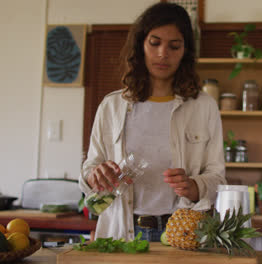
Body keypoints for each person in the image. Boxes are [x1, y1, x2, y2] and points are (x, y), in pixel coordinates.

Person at [78, 2, 226, 242]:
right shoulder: (112, 106)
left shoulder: (203, 106)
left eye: (174, 46)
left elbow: (217, 177)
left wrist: (194, 186)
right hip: (121, 233)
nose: (162, 54)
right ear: (140, 45)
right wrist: (96, 174)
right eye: (154, 43)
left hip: (182, 233)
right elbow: (88, 170)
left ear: (185, 51)